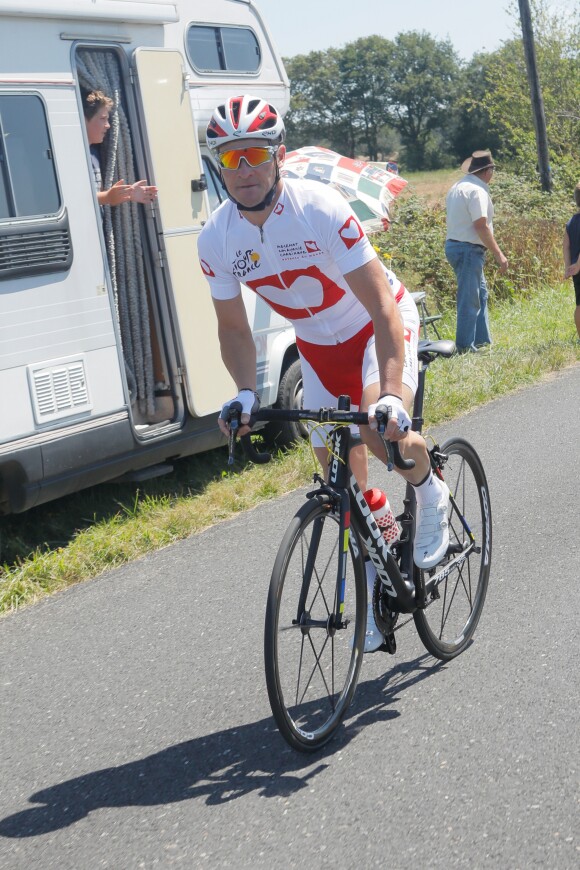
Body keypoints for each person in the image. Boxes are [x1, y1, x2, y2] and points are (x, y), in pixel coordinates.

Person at [197, 95, 451, 652]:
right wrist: (243, 392)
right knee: (337, 480)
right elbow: (234, 331)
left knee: (377, 428)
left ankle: (430, 490)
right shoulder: (216, 238)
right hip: (315, 346)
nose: (243, 171)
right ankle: (369, 572)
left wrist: (388, 393)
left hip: (376, 325)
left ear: (277, 156)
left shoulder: (319, 208)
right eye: (230, 158)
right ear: (218, 164)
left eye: (254, 156)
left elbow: (382, 307)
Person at [445, 150, 508, 353]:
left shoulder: (458, 187)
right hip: (468, 249)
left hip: (458, 246)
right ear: (487, 170)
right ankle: (465, 347)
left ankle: (482, 341)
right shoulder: (477, 191)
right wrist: (499, 254)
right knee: (469, 299)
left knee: (480, 294)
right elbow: (480, 225)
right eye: (493, 170)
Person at [82, 89, 157, 207]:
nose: (108, 125)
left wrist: (128, 193)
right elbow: (76, 197)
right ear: (83, 120)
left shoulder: (94, 156)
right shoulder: (72, 157)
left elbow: (97, 196)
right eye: (103, 119)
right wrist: (108, 197)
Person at [563, 181, 580, 339]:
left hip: (576, 269)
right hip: (579, 266)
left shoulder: (571, 221)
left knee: (579, 305)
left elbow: (566, 246)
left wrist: (569, 267)